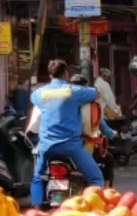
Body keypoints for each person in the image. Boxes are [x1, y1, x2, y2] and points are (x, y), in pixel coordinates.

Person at [29, 58, 104, 206]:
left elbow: (34, 100)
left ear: (50, 75)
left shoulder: (39, 94)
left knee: (37, 178)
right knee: (96, 179)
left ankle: (36, 208)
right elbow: (97, 94)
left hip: (46, 147)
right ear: (66, 73)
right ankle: (97, 208)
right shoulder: (74, 91)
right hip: (71, 146)